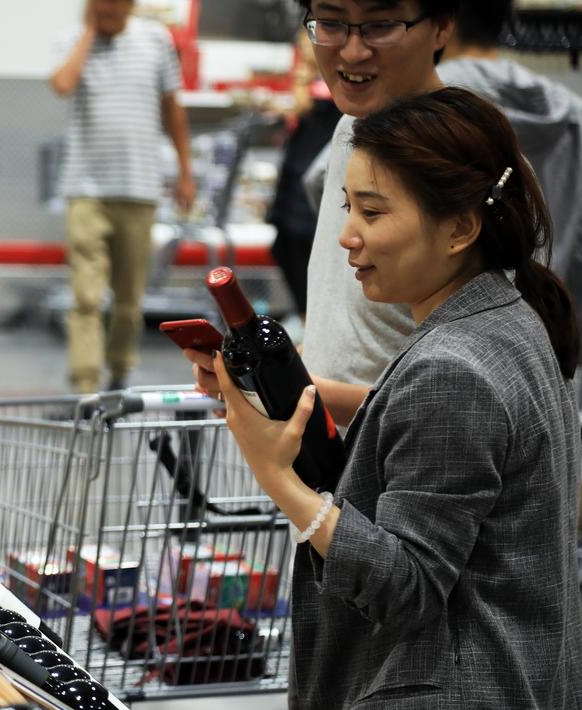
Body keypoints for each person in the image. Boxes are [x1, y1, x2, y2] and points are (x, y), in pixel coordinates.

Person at [215, 86, 582, 710]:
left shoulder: (452, 366)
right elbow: (429, 435)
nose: (349, 235)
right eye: (348, 207)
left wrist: (280, 480)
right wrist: (298, 394)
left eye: (374, 212)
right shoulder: (506, 322)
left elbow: (406, 586)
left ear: (458, 228)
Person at [185, 0, 456, 426]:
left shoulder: (460, 158)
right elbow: (345, 324)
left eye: (380, 25)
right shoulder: (349, 128)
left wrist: (286, 390)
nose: (351, 51)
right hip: (328, 471)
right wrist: (270, 377)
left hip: (404, 476)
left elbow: (458, 400)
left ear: (441, 27)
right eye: (330, 23)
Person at [49, 0, 195, 394]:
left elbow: (172, 109)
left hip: (139, 188)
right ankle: (85, 384)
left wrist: (185, 171)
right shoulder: (72, 41)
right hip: (85, 190)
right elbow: (62, 84)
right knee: (86, 297)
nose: (107, 10)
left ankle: (119, 367)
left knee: (129, 299)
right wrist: (88, 35)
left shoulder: (155, 40)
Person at [438, 0, 582, 346]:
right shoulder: (571, 110)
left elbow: (325, 179)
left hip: (446, 329)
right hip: (550, 331)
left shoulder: (422, 101)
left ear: (442, 22)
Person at [266, 29, 341, 319]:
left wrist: (302, 76)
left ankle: (311, 317)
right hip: (297, 179)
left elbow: (305, 105)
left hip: (311, 183)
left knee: (305, 250)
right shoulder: (314, 80)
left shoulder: (336, 82)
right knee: (285, 246)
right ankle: (306, 316)